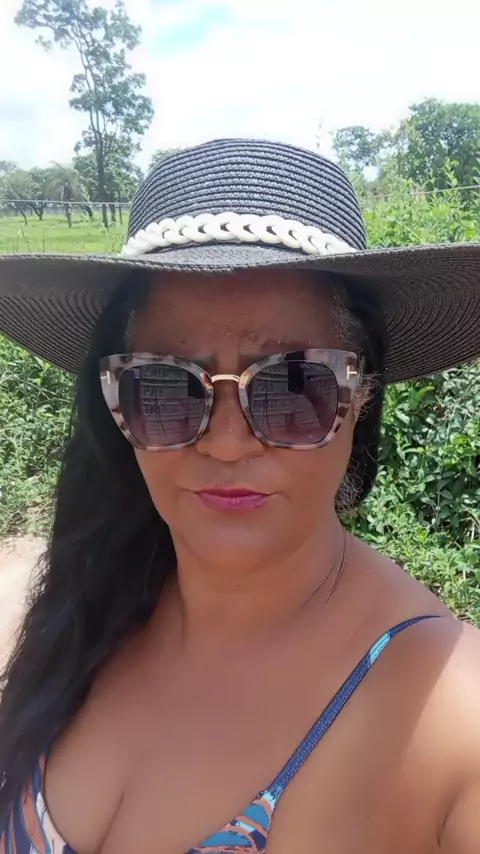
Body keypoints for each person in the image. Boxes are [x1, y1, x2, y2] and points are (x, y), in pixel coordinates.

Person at [0, 138, 479, 854]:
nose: (226, 443)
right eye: (165, 386)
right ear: (116, 402)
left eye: (294, 385)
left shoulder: (451, 716)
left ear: (362, 396)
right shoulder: (80, 608)